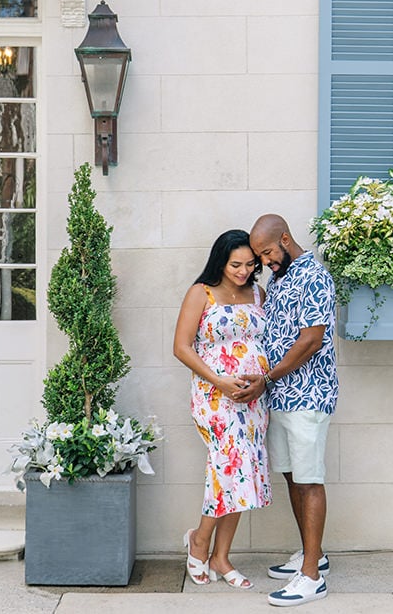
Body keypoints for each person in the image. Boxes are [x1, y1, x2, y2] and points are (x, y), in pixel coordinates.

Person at [241, 213, 338, 608]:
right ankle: (311, 555)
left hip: (308, 395)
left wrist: (268, 376)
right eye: (260, 257)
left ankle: (312, 576)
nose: (265, 262)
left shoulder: (314, 275)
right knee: (292, 477)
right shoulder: (279, 279)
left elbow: (311, 340)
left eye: (267, 253)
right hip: (280, 396)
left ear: (285, 238)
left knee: (310, 479)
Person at [171, 229, 271, 590]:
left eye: (250, 264)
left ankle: (221, 556)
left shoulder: (258, 293)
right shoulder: (202, 293)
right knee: (228, 465)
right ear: (220, 261)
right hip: (214, 396)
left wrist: (260, 380)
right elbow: (182, 347)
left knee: (244, 472)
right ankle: (200, 540)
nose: (243, 271)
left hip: (254, 400)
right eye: (235, 265)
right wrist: (220, 381)